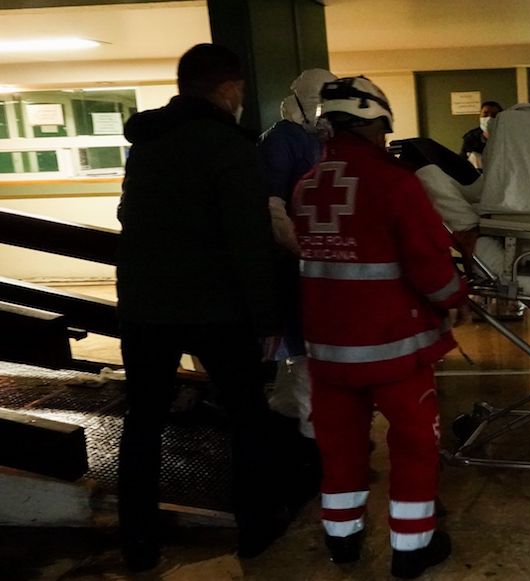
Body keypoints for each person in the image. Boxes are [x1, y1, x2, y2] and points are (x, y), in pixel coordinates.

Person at [116, 43, 285, 571]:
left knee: (142, 422)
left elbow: (126, 214)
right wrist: (267, 318)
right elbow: (248, 240)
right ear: (229, 88)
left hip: (145, 306)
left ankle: (138, 544)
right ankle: (255, 528)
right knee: (246, 417)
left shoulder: (146, 143)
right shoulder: (229, 146)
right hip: (218, 308)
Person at [294, 76, 465, 579]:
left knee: (340, 449)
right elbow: (428, 262)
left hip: (328, 353)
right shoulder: (394, 183)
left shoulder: (307, 185)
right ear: (375, 123)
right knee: (414, 446)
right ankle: (412, 550)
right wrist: (455, 298)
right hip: (393, 349)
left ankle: (342, 543)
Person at [258, 68, 337, 507]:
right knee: (305, 356)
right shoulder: (282, 142)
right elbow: (274, 206)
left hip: (316, 261)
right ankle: (313, 451)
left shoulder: (315, 139)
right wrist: (300, 249)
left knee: (300, 364)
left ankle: (293, 430)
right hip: (296, 262)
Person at [460, 100, 502, 170]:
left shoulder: (507, 137)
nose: (489, 118)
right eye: (485, 114)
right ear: (480, 115)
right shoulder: (471, 138)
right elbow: (461, 162)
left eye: (494, 115)